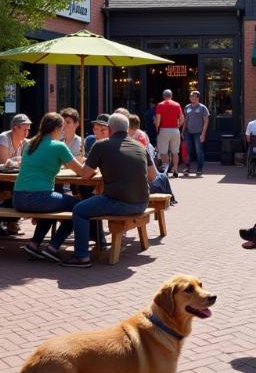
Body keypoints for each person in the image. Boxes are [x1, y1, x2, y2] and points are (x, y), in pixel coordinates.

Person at [62, 113, 157, 268]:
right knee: (91, 204)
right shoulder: (140, 147)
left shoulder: (101, 145)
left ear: (109, 129)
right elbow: (153, 177)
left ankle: (81, 256)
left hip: (119, 201)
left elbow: (85, 175)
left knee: (79, 210)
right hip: (142, 202)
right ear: (127, 129)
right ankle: (98, 242)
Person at [14, 112, 87, 262]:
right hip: (39, 197)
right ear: (56, 129)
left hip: (18, 198)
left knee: (54, 206)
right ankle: (53, 247)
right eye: (62, 128)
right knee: (79, 208)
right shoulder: (59, 146)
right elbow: (81, 172)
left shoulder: (31, 143)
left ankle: (34, 244)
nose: (63, 131)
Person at [0, 113, 32, 236]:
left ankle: (11, 223)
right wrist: (19, 160)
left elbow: (26, 161)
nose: (27, 131)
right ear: (14, 128)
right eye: (24, 128)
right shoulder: (4, 138)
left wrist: (17, 160)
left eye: (28, 128)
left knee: (23, 190)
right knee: (18, 191)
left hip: (10, 178)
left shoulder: (24, 142)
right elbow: (4, 162)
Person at [154, 89, 184, 177]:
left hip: (164, 129)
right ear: (171, 96)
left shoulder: (160, 105)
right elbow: (182, 119)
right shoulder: (177, 104)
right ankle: (175, 169)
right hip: (175, 130)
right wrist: (177, 126)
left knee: (163, 152)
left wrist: (157, 128)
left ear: (163, 96)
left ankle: (166, 170)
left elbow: (158, 119)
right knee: (175, 152)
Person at [182, 90, 210, 176]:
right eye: (191, 96)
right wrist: (182, 131)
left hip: (198, 133)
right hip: (188, 133)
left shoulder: (202, 108)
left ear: (198, 98)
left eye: (194, 96)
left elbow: (206, 121)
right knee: (188, 151)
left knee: (199, 151)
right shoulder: (187, 107)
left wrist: (203, 134)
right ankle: (187, 168)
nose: (192, 98)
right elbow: (186, 120)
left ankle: (199, 169)